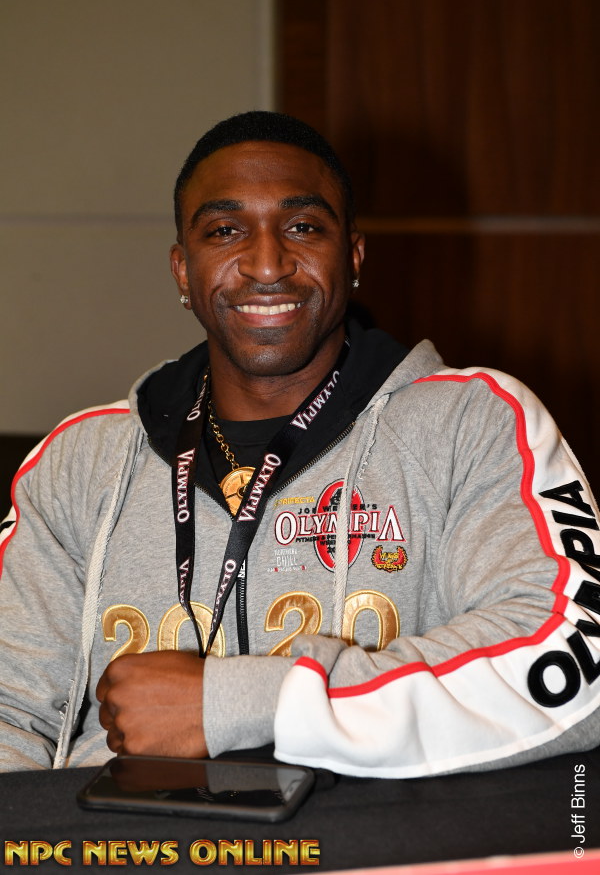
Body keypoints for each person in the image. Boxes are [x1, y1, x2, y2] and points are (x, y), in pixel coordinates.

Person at [1, 111, 599, 778]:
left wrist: (244, 703)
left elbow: (574, 659)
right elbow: (9, 710)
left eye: (303, 227)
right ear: (182, 270)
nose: (267, 264)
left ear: (353, 256)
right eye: (225, 231)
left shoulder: (471, 424)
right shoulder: (79, 463)